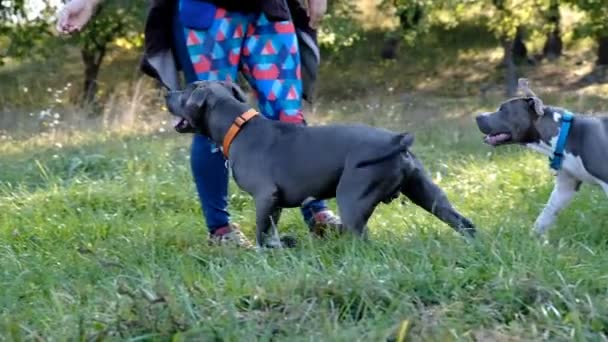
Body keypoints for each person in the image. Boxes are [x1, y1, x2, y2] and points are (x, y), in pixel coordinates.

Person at [57, 0, 341, 248]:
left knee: (289, 117)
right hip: (206, 13)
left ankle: (316, 213)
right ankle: (221, 230)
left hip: (268, 10)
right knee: (211, 117)